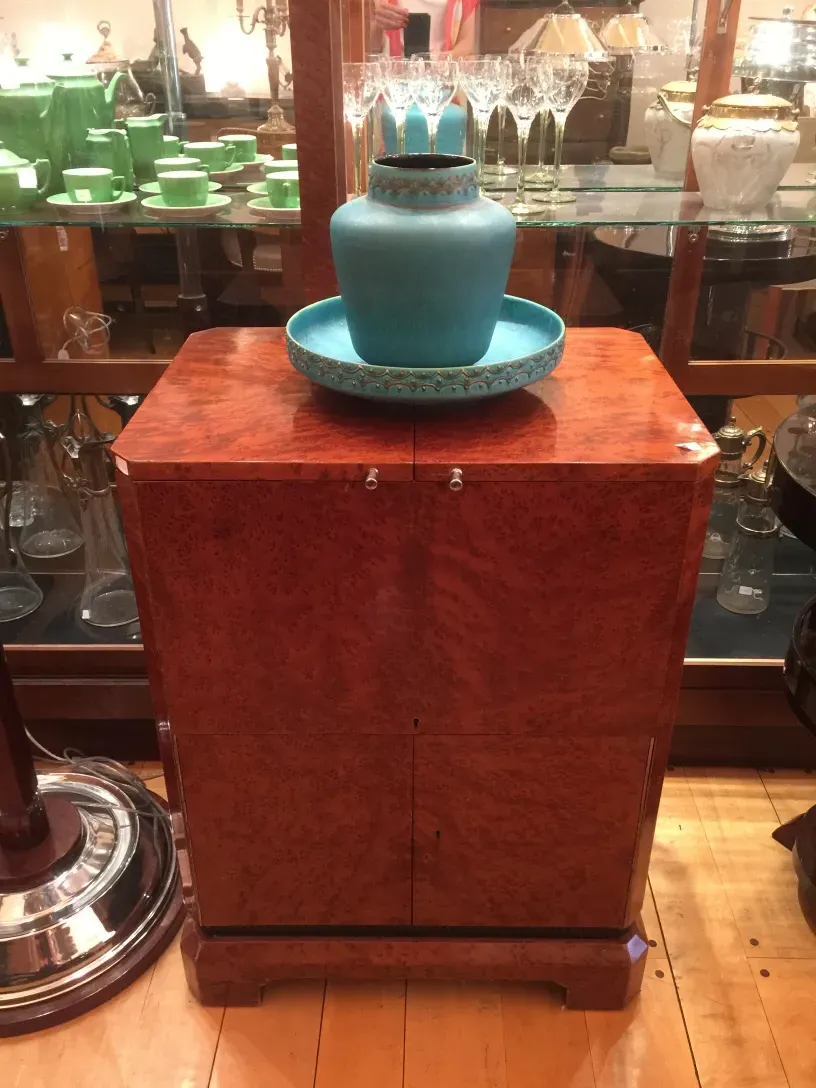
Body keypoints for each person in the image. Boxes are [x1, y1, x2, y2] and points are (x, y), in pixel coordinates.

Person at [369, 0, 478, 57]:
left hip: (442, 84)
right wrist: (377, 22)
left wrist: (445, 61)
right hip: (394, 83)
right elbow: (370, 47)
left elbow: (467, 43)